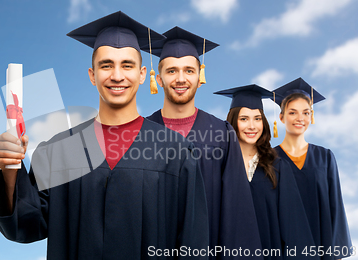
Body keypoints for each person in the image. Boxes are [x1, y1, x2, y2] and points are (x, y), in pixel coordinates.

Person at [0, 11, 209, 259]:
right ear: (92, 75)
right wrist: (10, 169)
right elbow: (25, 226)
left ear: (141, 74)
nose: (117, 75)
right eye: (106, 65)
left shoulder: (176, 153)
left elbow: (194, 243)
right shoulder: (59, 150)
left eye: (127, 65)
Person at [145, 27, 263, 259]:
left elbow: (237, 211)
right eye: (171, 71)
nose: (180, 78)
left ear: (200, 77)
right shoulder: (141, 133)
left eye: (189, 70)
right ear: (158, 79)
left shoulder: (222, 134)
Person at [215, 84, 317, 259]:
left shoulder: (277, 166)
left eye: (257, 118)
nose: (252, 126)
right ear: (232, 122)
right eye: (244, 119)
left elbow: (294, 225)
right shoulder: (218, 165)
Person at [272, 77, 352, 259]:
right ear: (281, 117)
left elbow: (336, 207)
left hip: (322, 249)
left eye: (306, 113)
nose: (300, 118)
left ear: (311, 116)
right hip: (283, 251)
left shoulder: (325, 157)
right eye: (293, 113)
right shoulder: (268, 159)